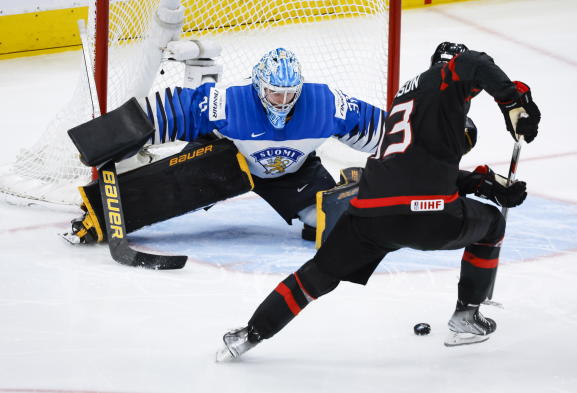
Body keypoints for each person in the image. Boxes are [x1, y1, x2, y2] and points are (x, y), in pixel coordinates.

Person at [214, 42, 541, 361]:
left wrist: (478, 182)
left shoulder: (407, 96)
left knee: (318, 273)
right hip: (428, 212)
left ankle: (249, 334)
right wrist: (513, 100)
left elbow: (410, 167)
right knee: (492, 224)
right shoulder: (447, 79)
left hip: (372, 211)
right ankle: (466, 317)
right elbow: (474, 62)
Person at [143, 47, 385, 240]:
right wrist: (122, 135)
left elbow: (384, 131)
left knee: (331, 220)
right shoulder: (231, 101)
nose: (283, 101)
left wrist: (416, 154)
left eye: (290, 93)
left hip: (291, 174)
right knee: (164, 195)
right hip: (224, 163)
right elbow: (172, 113)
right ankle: (109, 211)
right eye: (275, 93)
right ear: (259, 87)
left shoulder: (325, 105)